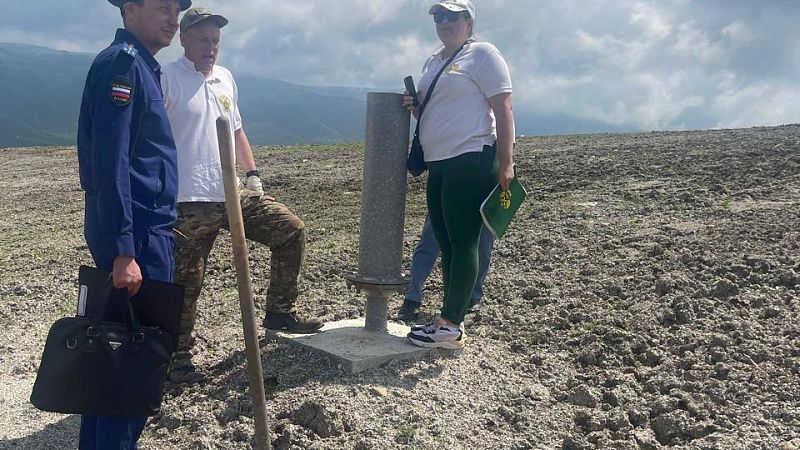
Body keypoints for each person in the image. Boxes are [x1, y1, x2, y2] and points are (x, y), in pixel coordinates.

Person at [161, 6, 323, 383]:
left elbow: (236, 131)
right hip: (188, 201)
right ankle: (177, 359)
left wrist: (253, 174)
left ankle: (280, 312)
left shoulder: (225, 79)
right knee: (185, 282)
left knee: (290, 230)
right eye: (202, 39)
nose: (210, 47)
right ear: (184, 38)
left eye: (215, 40)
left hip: (232, 192)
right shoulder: (166, 78)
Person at [76, 0, 191, 447]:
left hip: (144, 233)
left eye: (176, 9)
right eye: (162, 7)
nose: (173, 18)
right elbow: (111, 163)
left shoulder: (142, 67)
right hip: (138, 237)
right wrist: (124, 249)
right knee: (132, 367)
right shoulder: (122, 67)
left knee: (113, 367)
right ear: (129, 8)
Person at [404, 0, 515, 349]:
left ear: (469, 21)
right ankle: (448, 319)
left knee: (463, 238)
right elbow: (440, 112)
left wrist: (507, 161)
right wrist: (418, 109)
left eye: (453, 16)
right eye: (439, 16)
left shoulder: (483, 54)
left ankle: (452, 321)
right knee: (446, 237)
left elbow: (504, 108)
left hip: (471, 157)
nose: (445, 22)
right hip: (440, 161)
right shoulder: (433, 60)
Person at [398, 214, 494, 321]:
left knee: (483, 249)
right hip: (448, 197)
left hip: (485, 201)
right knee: (429, 242)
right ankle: (412, 298)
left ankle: (472, 298)